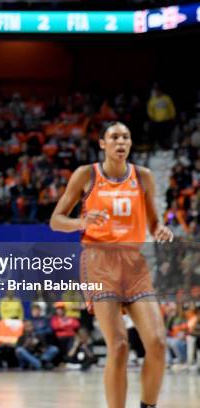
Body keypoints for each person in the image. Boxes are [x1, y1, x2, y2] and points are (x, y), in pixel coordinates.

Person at [50, 121, 173, 408]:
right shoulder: (86, 175)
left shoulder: (143, 177)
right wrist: (82, 221)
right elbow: (56, 220)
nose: (121, 141)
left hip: (134, 263)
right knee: (118, 346)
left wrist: (160, 230)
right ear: (103, 144)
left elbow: (153, 220)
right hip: (99, 261)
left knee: (156, 343)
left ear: (130, 144)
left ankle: (147, 405)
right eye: (114, 137)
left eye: (126, 137)